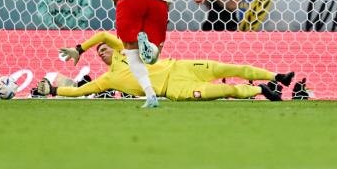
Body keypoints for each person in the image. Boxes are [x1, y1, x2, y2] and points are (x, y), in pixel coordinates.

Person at [38, 31, 293, 101]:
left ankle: (277, 76)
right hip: (175, 89)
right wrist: (53, 90)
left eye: (104, 48)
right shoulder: (108, 79)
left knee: (228, 68)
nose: (102, 50)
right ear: (100, 60)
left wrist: (80, 48)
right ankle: (261, 90)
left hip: (181, 67)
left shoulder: (125, 50)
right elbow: (79, 91)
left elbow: (103, 35)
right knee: (226, 90)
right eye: (99, 52)